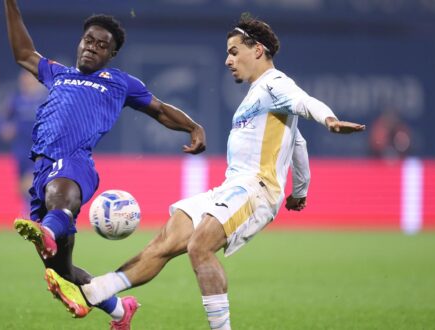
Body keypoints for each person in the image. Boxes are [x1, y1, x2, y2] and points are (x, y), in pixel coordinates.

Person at [46, 13, 366, 329]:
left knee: (199, 246)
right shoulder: (257, 95)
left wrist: (329, 119)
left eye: (233, 51)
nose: (228, 60)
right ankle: (95, 290)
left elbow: (304, 101)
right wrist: (300, 191)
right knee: (167, 239)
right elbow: (298, 144)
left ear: (257, 50)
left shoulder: (276, 84)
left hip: (256, 190)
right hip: (231, 188)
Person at [4, 0, 206, 328]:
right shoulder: (58, 73)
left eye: (102, 46)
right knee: (60, 271)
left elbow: (160, 109)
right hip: (42, 170)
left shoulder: (119, 82)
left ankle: (49, 229)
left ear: (111, 55)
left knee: (61, 195)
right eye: (88, 41)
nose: (92, 48)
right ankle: (119, 311)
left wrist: (193, 127)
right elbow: (24, 53)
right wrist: (10, 4)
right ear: (80, 42)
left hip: (75, 162)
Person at [0, 69, 48, 212]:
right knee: (21, 187)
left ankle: (32, 214)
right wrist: (5, 128)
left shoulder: (45, 99)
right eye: (24, 78)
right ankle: (34, 209)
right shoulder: (16, 100)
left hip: (39, 149)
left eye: (30, 78)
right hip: (20, 149)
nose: (26, 81)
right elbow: (3, 118)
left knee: (29, 182)